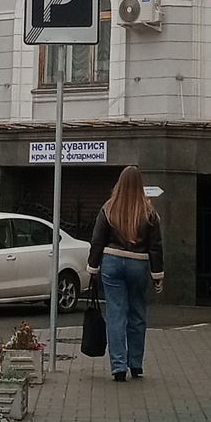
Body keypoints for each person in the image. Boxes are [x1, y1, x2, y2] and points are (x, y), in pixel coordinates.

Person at [87, 164, 164, 382]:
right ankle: (136, 364)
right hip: (138, 264)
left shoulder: (109, 208)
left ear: (119, 184)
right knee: (137, 312)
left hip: (112, 262)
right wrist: (157, 274)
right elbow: (155, 246)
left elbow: (97, 240)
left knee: (116, 313)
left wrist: (92, 267)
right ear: (140, 185)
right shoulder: (149, 212)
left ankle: (118, 368)